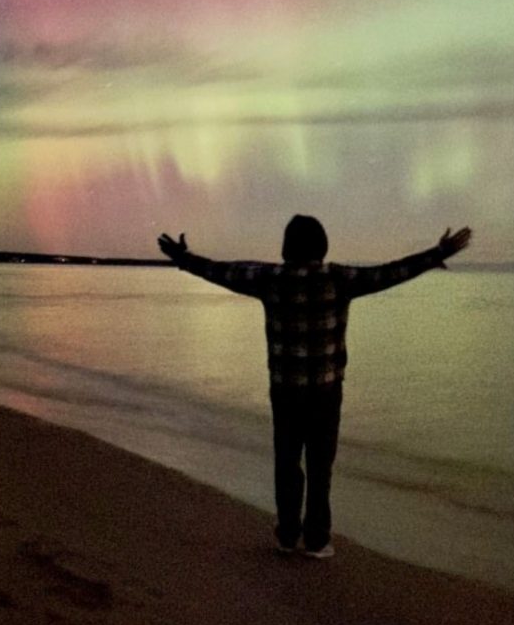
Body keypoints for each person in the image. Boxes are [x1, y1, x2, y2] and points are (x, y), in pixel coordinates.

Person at [158, 216, 472, 558]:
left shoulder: (270, 279)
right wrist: (437, 252)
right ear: (322, 247)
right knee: (320, 467)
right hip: (325, 393)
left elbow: (221, 271)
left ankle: (288, 536)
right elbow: (389, 273)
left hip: (285, 391)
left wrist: (183, 259)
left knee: (287, 462)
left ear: (286, 248)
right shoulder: (338, 278)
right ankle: (317, 541)